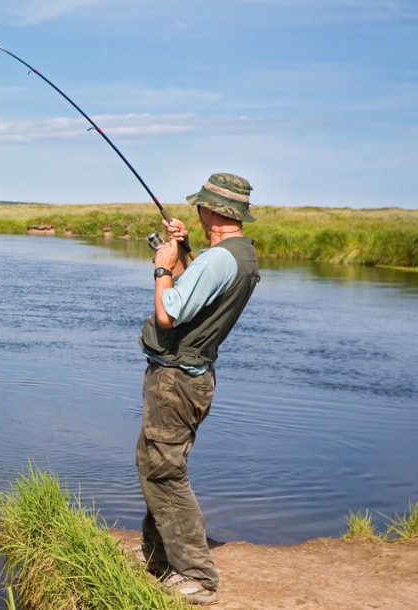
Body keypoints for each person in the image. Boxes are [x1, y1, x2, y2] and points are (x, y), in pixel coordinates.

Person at [135, 173, 261, 606]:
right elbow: (197, 292)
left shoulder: (219, 260)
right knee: (154, 461)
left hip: (176, 381)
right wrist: (185, 250)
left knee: (166, 471)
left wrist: (162, 264)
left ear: (214, 211)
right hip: (190, 377)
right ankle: (158, 554)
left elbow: (170, 312)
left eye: (200, 206)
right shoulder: (237, 255)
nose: (196, 211)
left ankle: (197, 576)